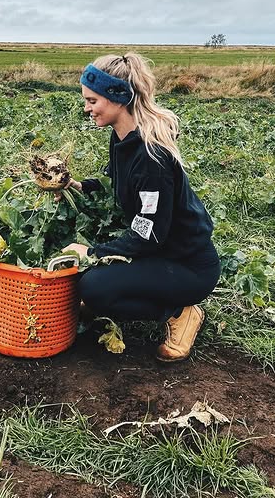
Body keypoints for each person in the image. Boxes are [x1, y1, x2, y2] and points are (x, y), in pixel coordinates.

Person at [64, 52, 220, 362]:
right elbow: (113, 182)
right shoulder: (122, 137)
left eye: (92, 101)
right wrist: (78, 187)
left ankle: (180, 312)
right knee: (86, 282)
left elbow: (148, 236)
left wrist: (92, 252)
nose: (87, 108)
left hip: (187, 266)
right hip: (159, 254)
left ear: (118, 98)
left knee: (94, 289)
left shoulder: (151, 159)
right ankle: (134, 289)